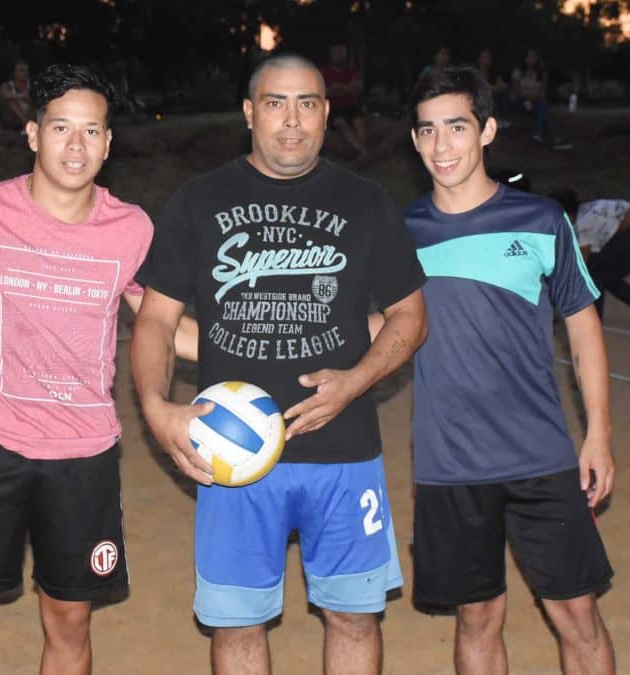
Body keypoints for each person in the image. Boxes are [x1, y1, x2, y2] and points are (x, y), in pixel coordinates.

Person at [131, 54, 427, 675]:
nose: (292, 120)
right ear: (249, 113)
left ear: (326, 113)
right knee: (237, 624)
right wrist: (156, 409)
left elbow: (410, 317)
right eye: (275, 103)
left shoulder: (365, 202)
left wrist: (354, 383)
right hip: (231, 456)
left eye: (307, 104)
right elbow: (155, 320)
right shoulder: (198, 202)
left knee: (353, 617)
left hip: (344, 451)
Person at [0, 64, 198, 675]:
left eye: (91, 131)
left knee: (68, 623)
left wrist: (261, 350)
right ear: (32, 134)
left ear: (108, 142)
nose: (76, 145)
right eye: (61, 128)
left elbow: (165, 327)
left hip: (82, 454)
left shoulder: (131, 229)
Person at [401, 66, 616, 674]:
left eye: (456, 127)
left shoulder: (542, 219)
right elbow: (381, 328)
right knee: (477, 617)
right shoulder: (402, 232)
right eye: (427, 130)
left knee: (577, 615)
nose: (442, 145)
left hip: (539, 453)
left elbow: (583, 326)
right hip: (449, 462)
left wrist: (598, 433)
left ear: (487, 130)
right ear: (414, 139)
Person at [551, 189, 630, 319]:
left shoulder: (584, 222)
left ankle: (594, 319)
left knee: (594, 274)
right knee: (606, 275)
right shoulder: (586, 211)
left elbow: (582, 265)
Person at [320, 43, 368, 161]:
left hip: (350, 106)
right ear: (331, 55)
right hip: (333, 109)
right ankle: (362, 151)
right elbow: (323, 91)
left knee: (359, 123)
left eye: (342, 53)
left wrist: (338, 89)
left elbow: (357, 87)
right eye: (337, 53)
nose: (340, 56)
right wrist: (345, 89)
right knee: (340, 123)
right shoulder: (324, 72)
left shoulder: (351, 71)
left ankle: (361, 150)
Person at [511, 48, 550, 142]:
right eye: (529, 56)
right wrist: (528, 98)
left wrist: (534, 99)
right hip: (522, 99)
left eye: (534, 56)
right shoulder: (518, 71)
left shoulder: (542, 72)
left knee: (543, 104)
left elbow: (543, 92)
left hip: (536, 100)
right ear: (525, 58)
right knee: (533, 107)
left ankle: (538, 132)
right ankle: (545, 132)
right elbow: (516, 91)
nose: (532, 59)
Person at [0, 60, 31, 130]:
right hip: (13, 118)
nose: (24, 73)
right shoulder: (7, 85)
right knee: (10, 101)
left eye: (26, 70)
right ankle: (25, 123)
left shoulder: (31, 84)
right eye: (21, 70)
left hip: (30, 114)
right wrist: (22, 96)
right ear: (14, 73)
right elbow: (5, 95)